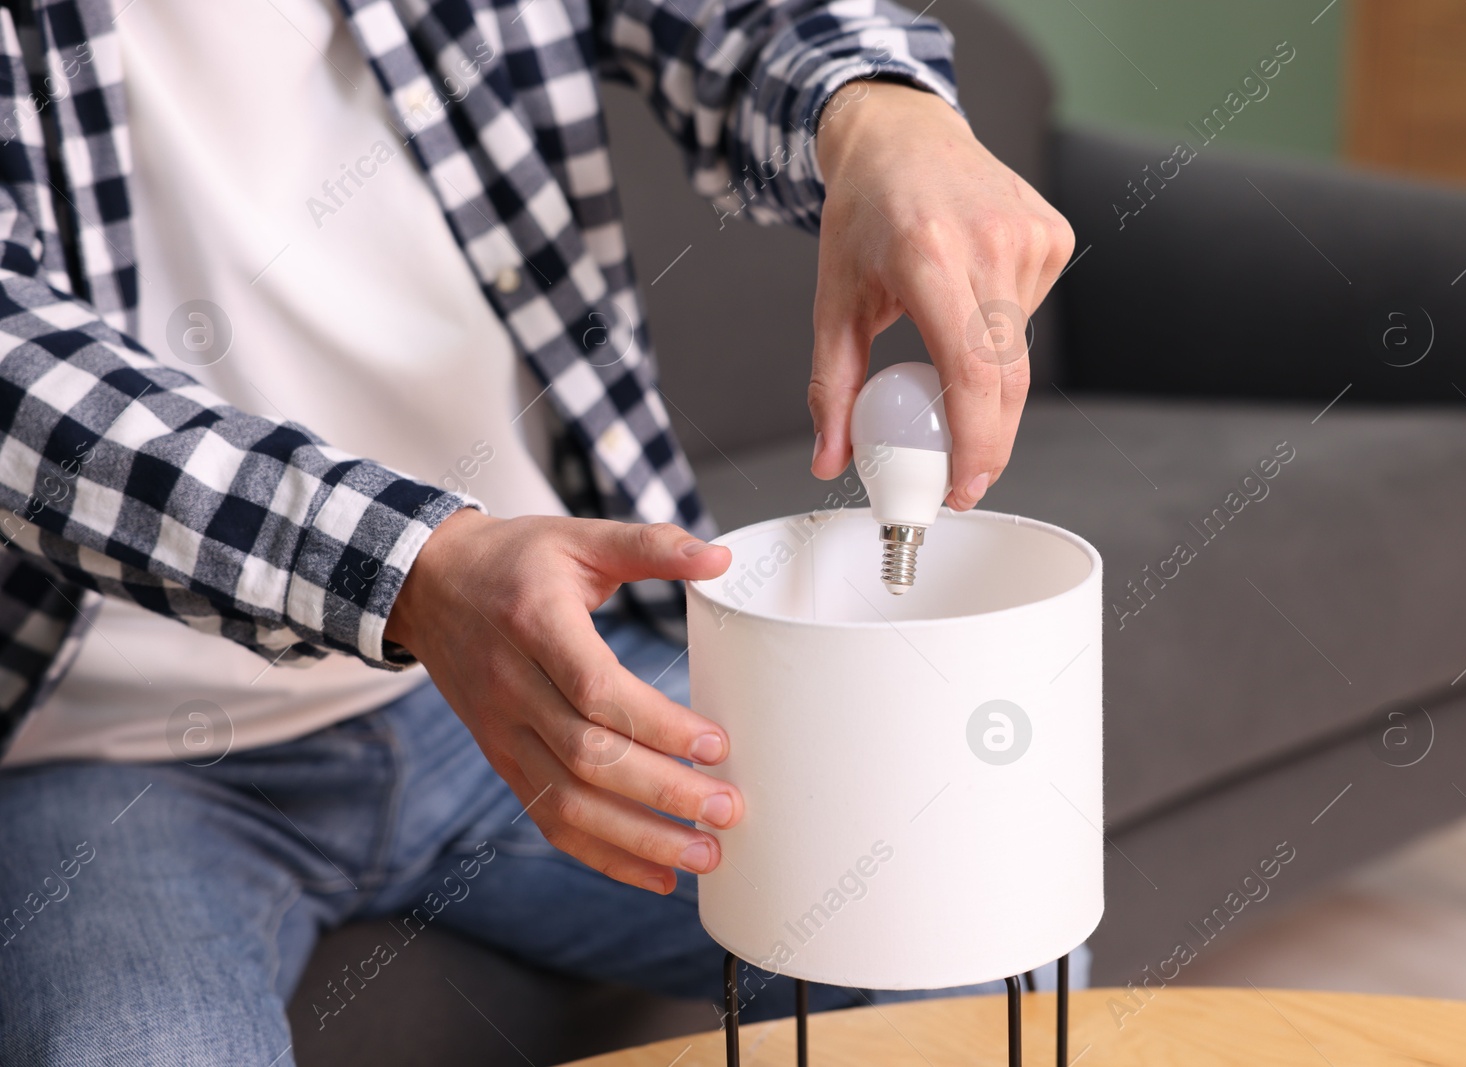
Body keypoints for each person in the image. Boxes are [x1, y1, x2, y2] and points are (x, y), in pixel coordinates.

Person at [0, 0, 1073, 1060]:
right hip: (110, 748)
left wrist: (883, 113)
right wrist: (415, 567)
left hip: (524, 676)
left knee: (971, 916)